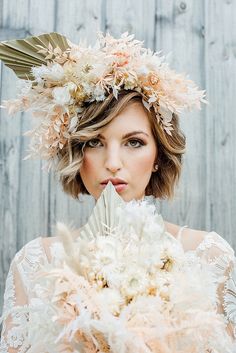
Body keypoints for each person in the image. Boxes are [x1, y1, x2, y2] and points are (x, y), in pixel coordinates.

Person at [0, 31, 236, 352]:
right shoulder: (35, 263)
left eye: (134, 142)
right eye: (94, 142)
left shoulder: (210, 257)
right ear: (75, 153)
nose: (112, 163)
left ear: (158, 157)